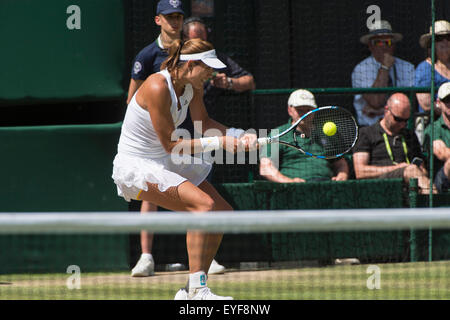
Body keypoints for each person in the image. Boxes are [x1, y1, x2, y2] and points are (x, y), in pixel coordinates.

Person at [112, 38, 257, 300]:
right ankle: (199, 289)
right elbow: (170, 143)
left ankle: (190, 291)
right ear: (190, 65)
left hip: (166, 159)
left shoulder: (193, 86)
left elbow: (204, 122)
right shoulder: (157, 85)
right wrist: (220, 142)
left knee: (222, 212)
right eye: (208, 68)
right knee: (203, 206)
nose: (212, 74)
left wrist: (239, 135)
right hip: (139, 164)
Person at [126, 0, 186, 278]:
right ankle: (146, 257)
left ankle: (207, 258)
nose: (175, 21)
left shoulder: (191, 51)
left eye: (178, 16)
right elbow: (132, 100)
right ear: (157, 20)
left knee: (198, 191)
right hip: (153, 137)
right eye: (169, 17)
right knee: (151, 192)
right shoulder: (147, 55)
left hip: (185, 129)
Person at [259, 89, 350, 183]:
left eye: (308, 110)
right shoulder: (277, 134)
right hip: (292, 192)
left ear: (314, 110)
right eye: (300, 110)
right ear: (290, 110)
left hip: (326, 187)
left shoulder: (327, 134)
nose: (304, 114)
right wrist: (289, 182)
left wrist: (341, 176)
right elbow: (266, 167)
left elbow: (340, 164)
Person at [352, 93, 436, 194]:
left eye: (406, 120)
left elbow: (423, 170)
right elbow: (360, 172)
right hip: (379, 185)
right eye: (398, 119)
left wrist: (418, 171)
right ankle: (433, 202)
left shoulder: (409, 135)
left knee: (422, 179)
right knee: (411, 170)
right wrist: (399, 168)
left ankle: (433, 199)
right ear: (387, 110)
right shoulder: (366, 133)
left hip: (409, 185)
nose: (402, 124)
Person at [352, 20, 414, 127]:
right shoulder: (361, 69)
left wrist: (379, 111)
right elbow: (375, 101)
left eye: (388, 42)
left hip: (401, 126)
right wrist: (385, 67)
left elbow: (409, 105)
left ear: (394, 45)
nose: (384, 46)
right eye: (378, 42)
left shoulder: (407, 67)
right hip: (370, 128)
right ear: (370, 46)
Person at [415, 20, 450, 114]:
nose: (445, 41)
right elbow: (426, 104)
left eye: (448, 37)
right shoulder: (424, 69)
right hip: (433, 123)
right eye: (439, 38)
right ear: (431, 44)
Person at [423, 82, 450, 193]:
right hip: (441, 179)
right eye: (447, 101)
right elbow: (442, 153)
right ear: (438, 103)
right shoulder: (433, 128)